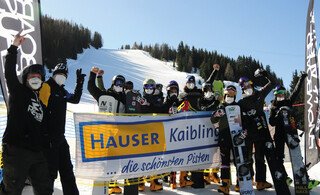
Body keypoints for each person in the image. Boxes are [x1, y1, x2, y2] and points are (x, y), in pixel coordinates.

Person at [0, 34, 53, 194]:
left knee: (44, 189)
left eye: (39, 76)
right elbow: (9, 72)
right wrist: (14, 47)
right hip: (16, 149)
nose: (36, 78)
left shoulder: (40, 102)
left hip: (37, 152)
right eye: (32, 76)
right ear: (25, 79)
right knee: (12, 190)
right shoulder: (18, 91)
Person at [39, 62, 85, 194]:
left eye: (64, 75)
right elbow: (40, 111)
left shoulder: (62, 90)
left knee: (67, 171)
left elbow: (75, 99)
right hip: (48, 139)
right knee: (50, 173)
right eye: (59, 74)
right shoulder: (46, 87)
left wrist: (80, 83)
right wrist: (43, 135)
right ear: (53, 74)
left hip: (60, 137)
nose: (61, 77)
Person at [88, 67, 126, 194]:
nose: (119, 86)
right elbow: (91, 89)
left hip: (118, 133)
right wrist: (93, 75)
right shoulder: (106, 95)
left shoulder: (124, 97)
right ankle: (103, 185)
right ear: (113, 83)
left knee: (116, 160)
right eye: (117, 83)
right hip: (104, 132)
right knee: (104, 160)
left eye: (122, 84)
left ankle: (113, 183)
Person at [237, 69, 274, 191]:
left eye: (248, 84)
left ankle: (260, 181)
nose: (246, 87)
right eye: (244, 86)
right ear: (242, 89)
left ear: (251, 84)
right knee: (247, 158)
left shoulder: (259, 94)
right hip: (247, 133)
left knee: (260, 158)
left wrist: (265, 75)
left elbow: (272, 83)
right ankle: (249, 179)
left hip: (260, 132)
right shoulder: (241, 102)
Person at [269, 72, 307, 186]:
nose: (281, 95)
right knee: (279, 156)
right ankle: (284, 177)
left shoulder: (288, 102)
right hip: (280, 134)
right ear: (275, 95)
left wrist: (301, 78)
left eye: (283, 93)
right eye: (279, 94)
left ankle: (304, 179)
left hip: (290, 133)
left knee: (296, 156)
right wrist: (277, 115)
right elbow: (271, 122)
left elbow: (296, 91)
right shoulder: (273, 107)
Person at [211, 85, 240, 194]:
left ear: (235, 95)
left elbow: (244, 121)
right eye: (227, 94)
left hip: (236, 137)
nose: (229, 96)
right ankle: (225, 184)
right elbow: (212, 119)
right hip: (224, 137)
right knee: (225, 162)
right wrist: (217, 114)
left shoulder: (238, 106)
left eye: (231, 94)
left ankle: (239, 182)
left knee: (239, 160)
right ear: (224, 95)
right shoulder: (221, 106)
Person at [139, 78, 164, 192]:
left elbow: (159, 108)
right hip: (142, 130)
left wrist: (148, 104)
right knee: (141, 156)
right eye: (147, 87)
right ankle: (140, 180)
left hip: (155, 130)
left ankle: (155, 181)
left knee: (156, 156)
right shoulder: (140, 97)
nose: (149, 89)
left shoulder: (158, 97)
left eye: (151, 87)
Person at [198, 82, 221, 185]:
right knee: (205, 152)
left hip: (213, 128)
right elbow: (205, 110)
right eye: (206, 90)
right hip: (203, 129)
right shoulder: (200, 100)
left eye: (210, 90)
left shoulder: (214, 99)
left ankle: (214, 173)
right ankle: (205, 175)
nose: (209, 92)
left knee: (215, 151)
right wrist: (216, 103)